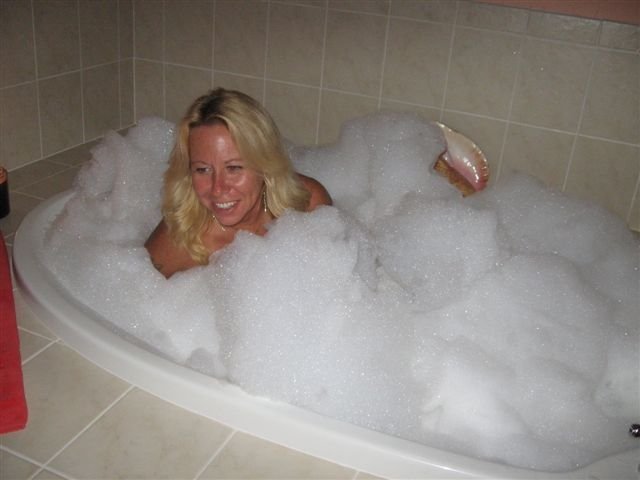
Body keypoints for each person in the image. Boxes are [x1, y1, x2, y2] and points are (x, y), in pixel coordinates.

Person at [145, 88, 332, 278]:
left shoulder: (309, 204)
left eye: (233, 168)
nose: (217, 189)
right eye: (202, 169)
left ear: (264, 164)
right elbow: (137, 288)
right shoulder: (179, 241)